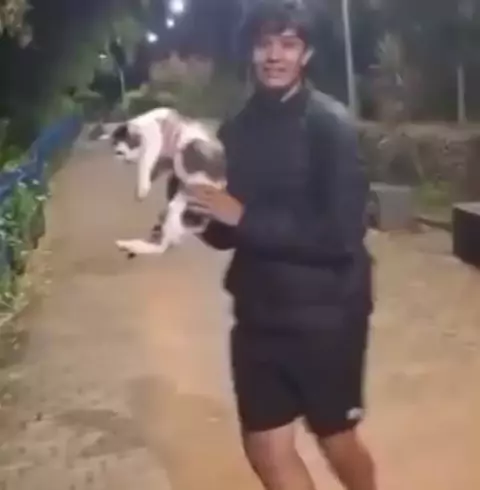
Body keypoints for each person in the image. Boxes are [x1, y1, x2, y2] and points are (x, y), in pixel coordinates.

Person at [164, 1, 376, 489]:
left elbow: (341, 233)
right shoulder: (236, 130)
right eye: (265, 44)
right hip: (258, 315)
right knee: (265, 447)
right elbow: (225, 233)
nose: (275, 55)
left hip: (327, 317)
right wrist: (188, 193)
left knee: (335, 438)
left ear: (307, 53)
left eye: (288, 44)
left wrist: (244, 217)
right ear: (251, 50)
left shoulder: (330, 125)